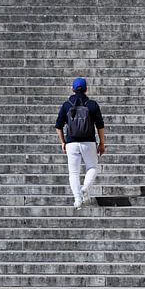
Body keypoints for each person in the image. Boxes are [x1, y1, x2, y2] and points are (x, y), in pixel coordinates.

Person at [55, 77, 105, 210]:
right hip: (89, 142)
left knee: (73, 173)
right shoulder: (92, 104)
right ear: (86, 89)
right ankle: (85, 188)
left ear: (72, 89)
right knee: (92, 167)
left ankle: (77, 199)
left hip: (71, 143)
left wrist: (63, 142)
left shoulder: (66, 105)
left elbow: (58, 126)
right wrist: (102, 143)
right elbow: (100, 125)